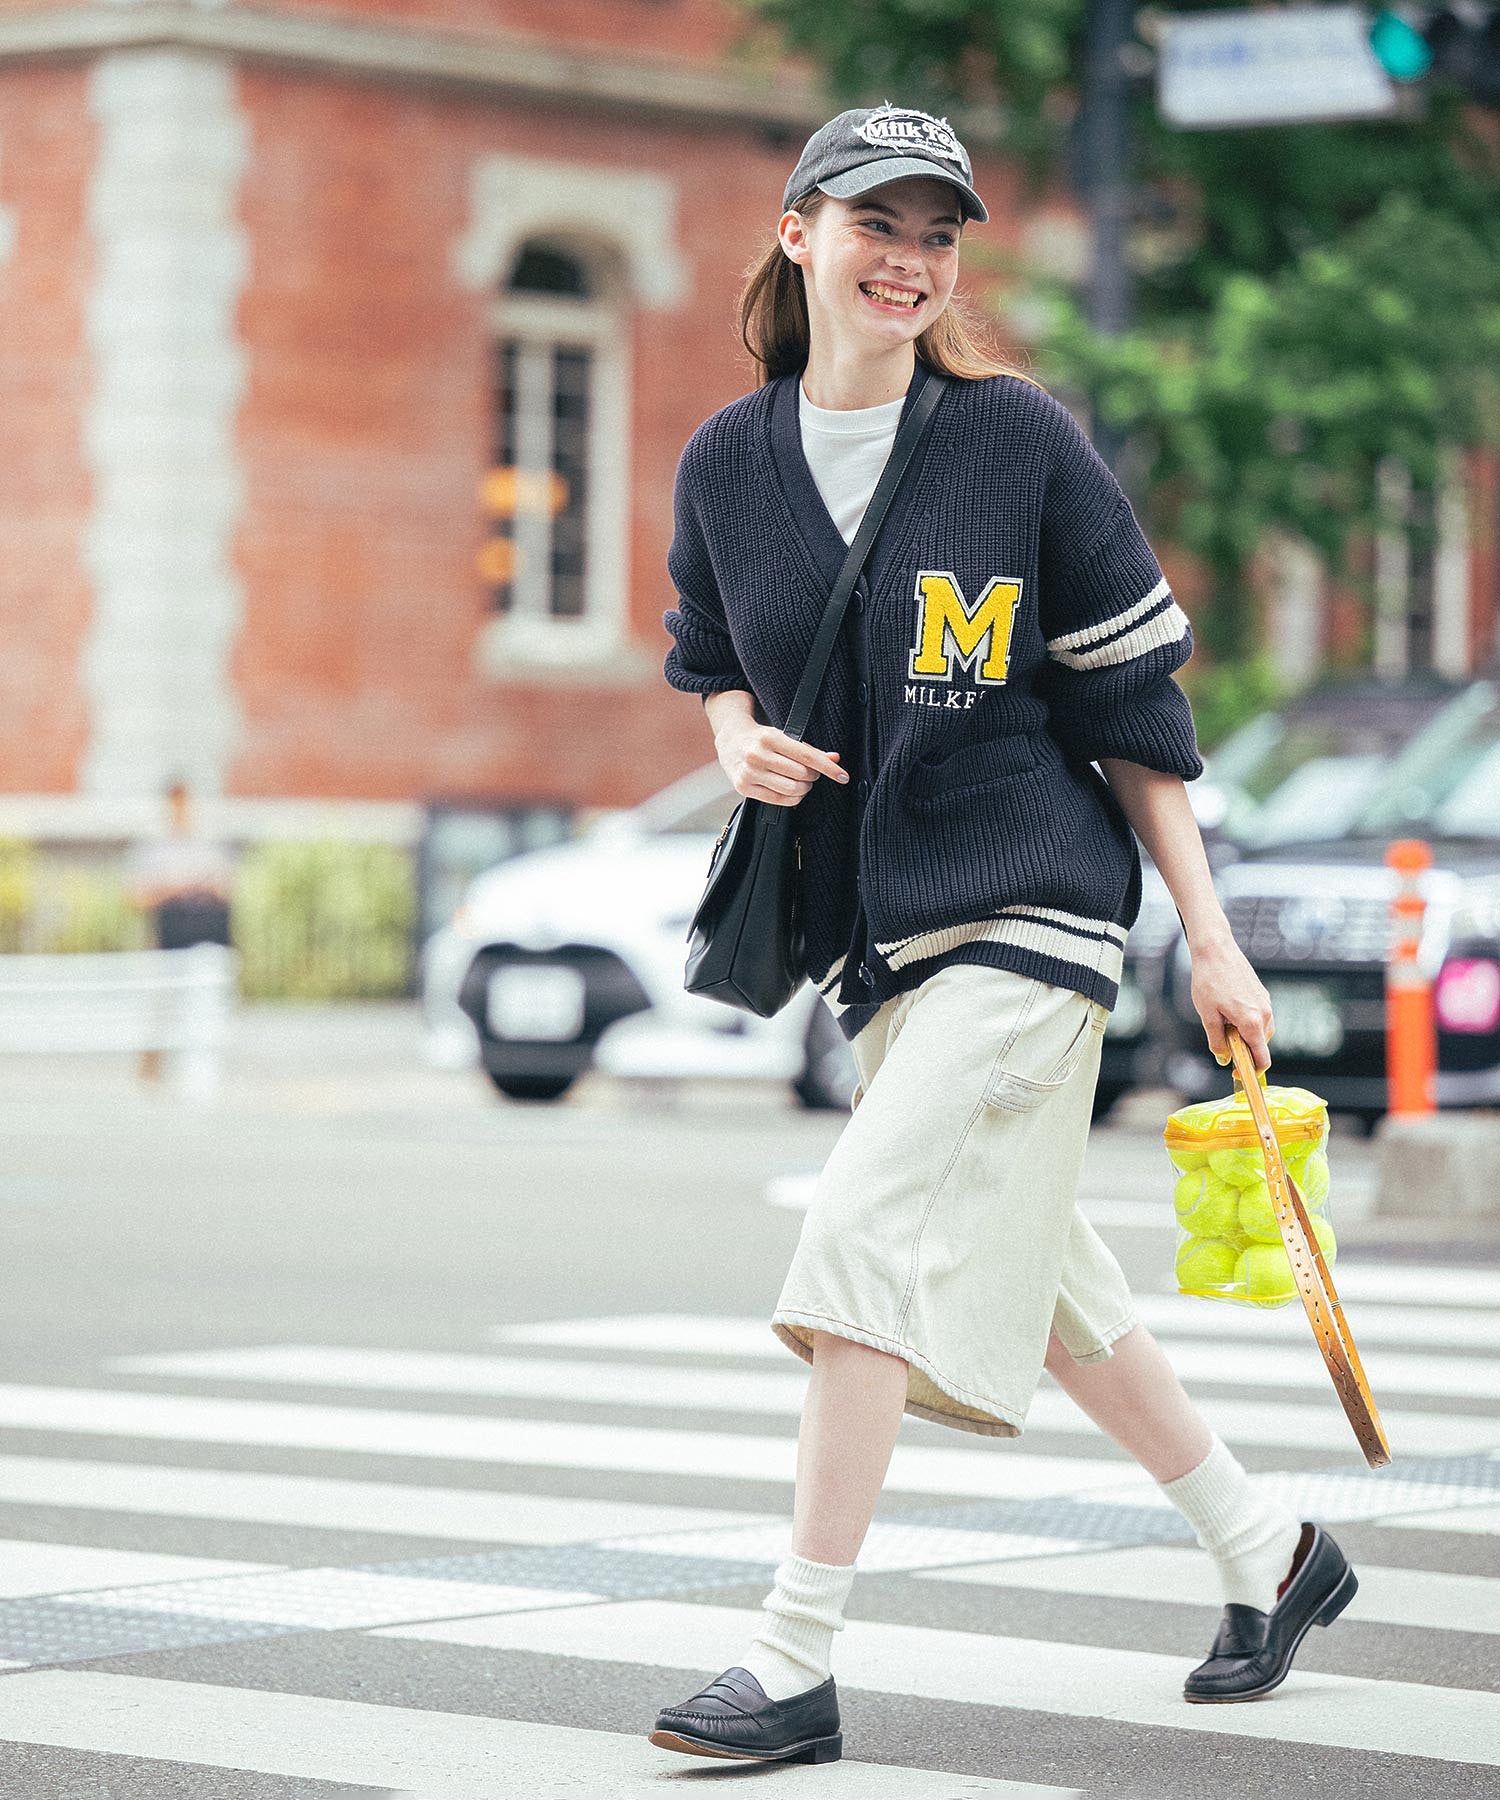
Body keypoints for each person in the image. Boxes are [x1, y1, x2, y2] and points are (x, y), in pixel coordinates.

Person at [650, 103, 1357, 1766]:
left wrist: (1211, 934)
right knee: (1050, 1286)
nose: (909, 259)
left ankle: (794, 1654)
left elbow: (1135, 713)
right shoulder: (725, 462)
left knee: (863, 1246)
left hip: (1037, 910)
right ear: (798, 230)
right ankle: (1274, 1552)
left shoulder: (1016, 441)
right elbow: (706, 653)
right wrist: (729, 741)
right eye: (877, 223)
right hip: (881, 945)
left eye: (938, 234)